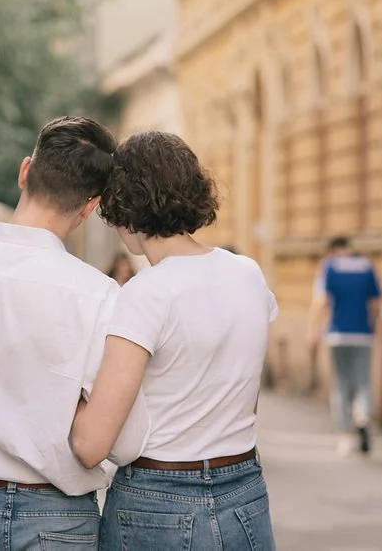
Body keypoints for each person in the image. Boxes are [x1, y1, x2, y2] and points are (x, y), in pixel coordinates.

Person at [0, 116, 150, 550]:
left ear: (25, 171)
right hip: (58, 518)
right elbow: (124, 441)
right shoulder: (99, 296)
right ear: (90, 206)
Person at [70, 131, 278, 551]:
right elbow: (245, 400)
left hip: (157, 500)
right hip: (243, 490)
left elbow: (91, 445)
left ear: (125, 206)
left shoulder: (145, 293)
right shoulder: (248, 275)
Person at [308, 236, 382, 455]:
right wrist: (373, 325)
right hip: (363, 334)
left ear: (333, 250)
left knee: (341, 384)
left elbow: (322, 301)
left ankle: (346, 435)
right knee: (363, 381)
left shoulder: (329, 267)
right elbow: (376, 302)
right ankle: (363, 414)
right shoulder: (367, 266)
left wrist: (313, 330)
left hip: (337, 334)